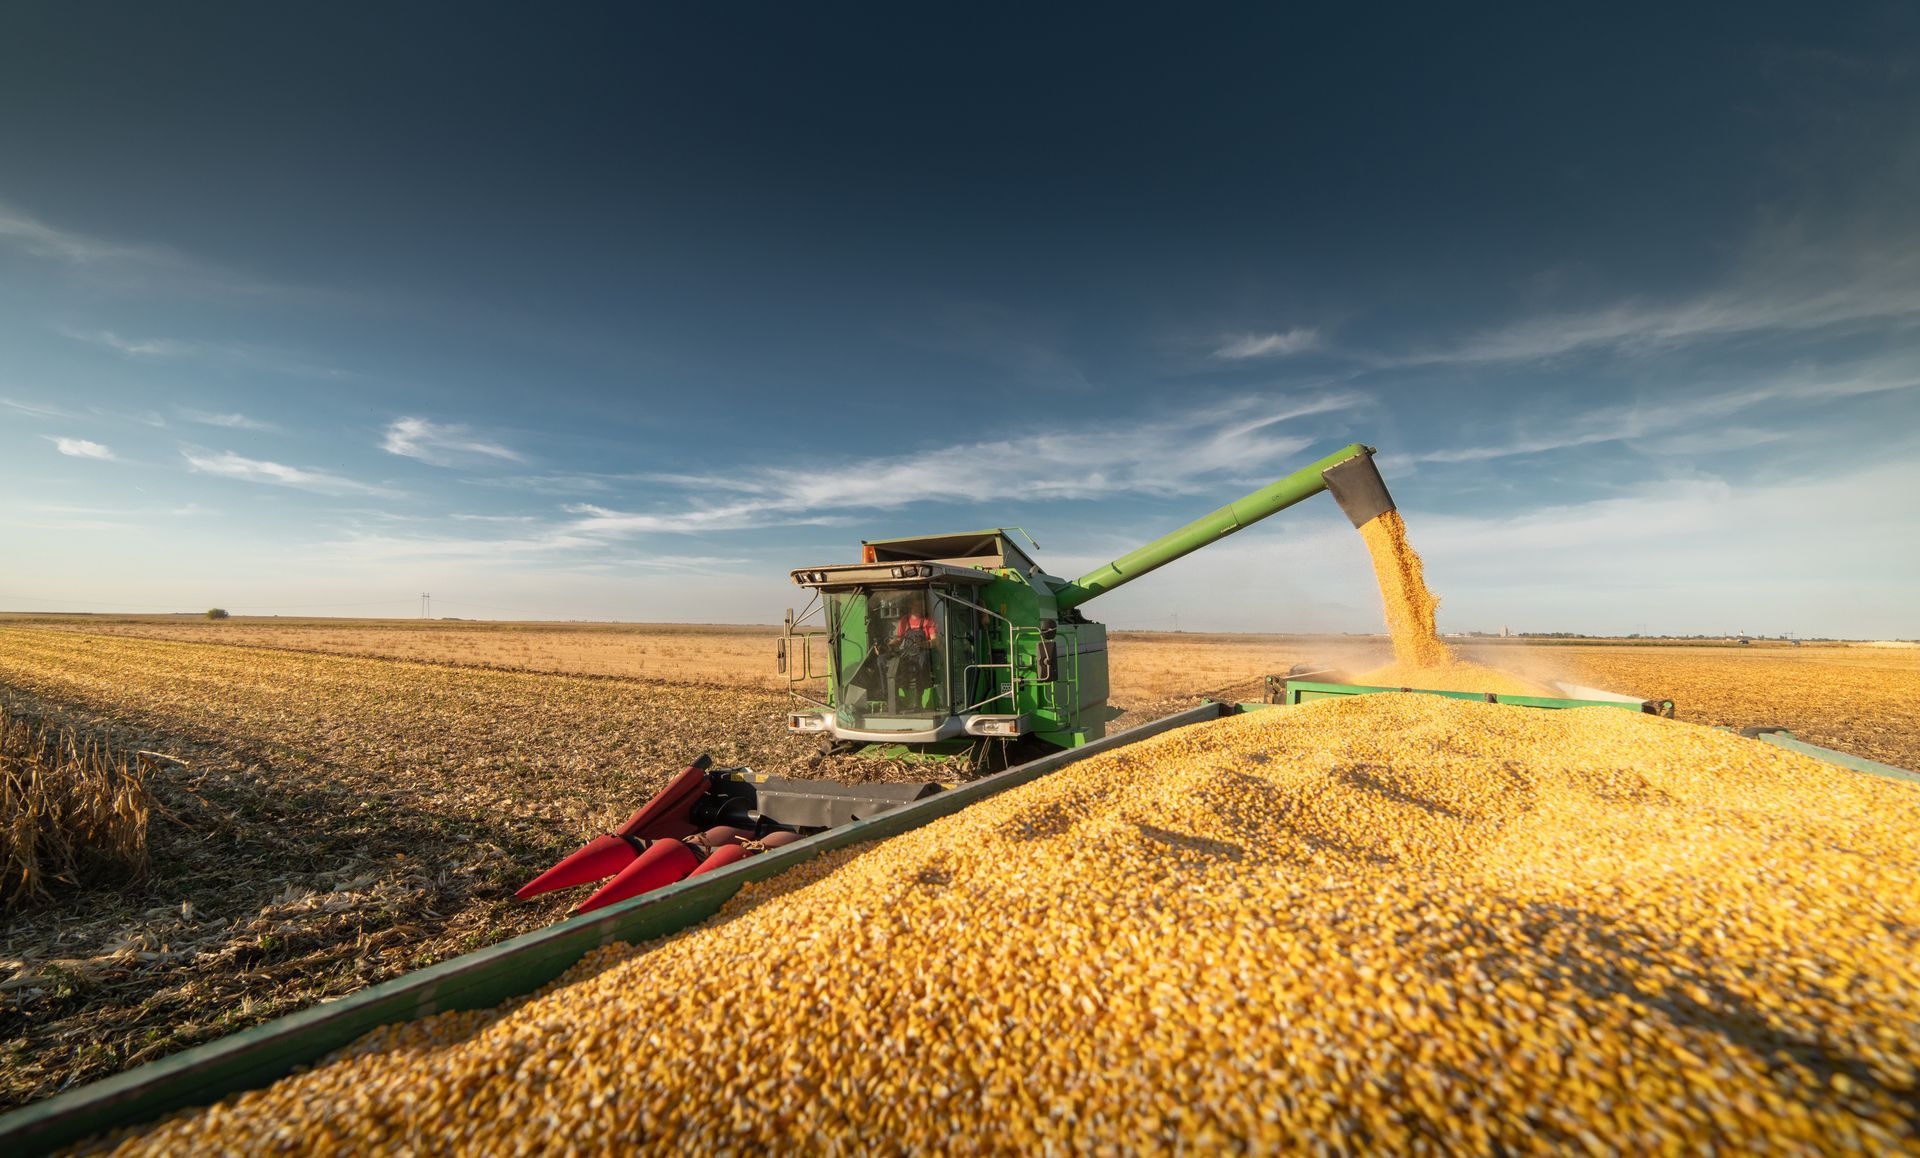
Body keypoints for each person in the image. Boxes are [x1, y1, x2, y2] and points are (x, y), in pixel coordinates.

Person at [891, 594, 938, 711]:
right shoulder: (904, 621)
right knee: (892, 663)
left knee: (922, 662)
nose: (918, 607)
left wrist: (923, 644)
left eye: (920, 605)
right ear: (910, 605)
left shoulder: (928, 621)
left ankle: (918, 698)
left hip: (922, 652)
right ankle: (894, 699)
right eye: (915, 604)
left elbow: (935, 641)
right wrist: (888, 644)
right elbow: (898, 639)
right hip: (907, 653)